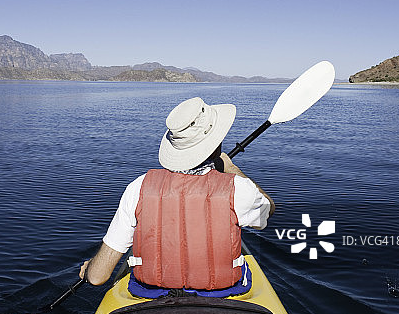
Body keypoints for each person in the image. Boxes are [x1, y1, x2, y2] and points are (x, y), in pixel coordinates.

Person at [79, 96, 275, 296]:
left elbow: (97, 277)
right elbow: (267, 210)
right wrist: (232, 169)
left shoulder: (138, 188)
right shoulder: (238, 189)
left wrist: (90, 268)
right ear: (216, 143)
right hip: (222, 292)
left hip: (150, 293)